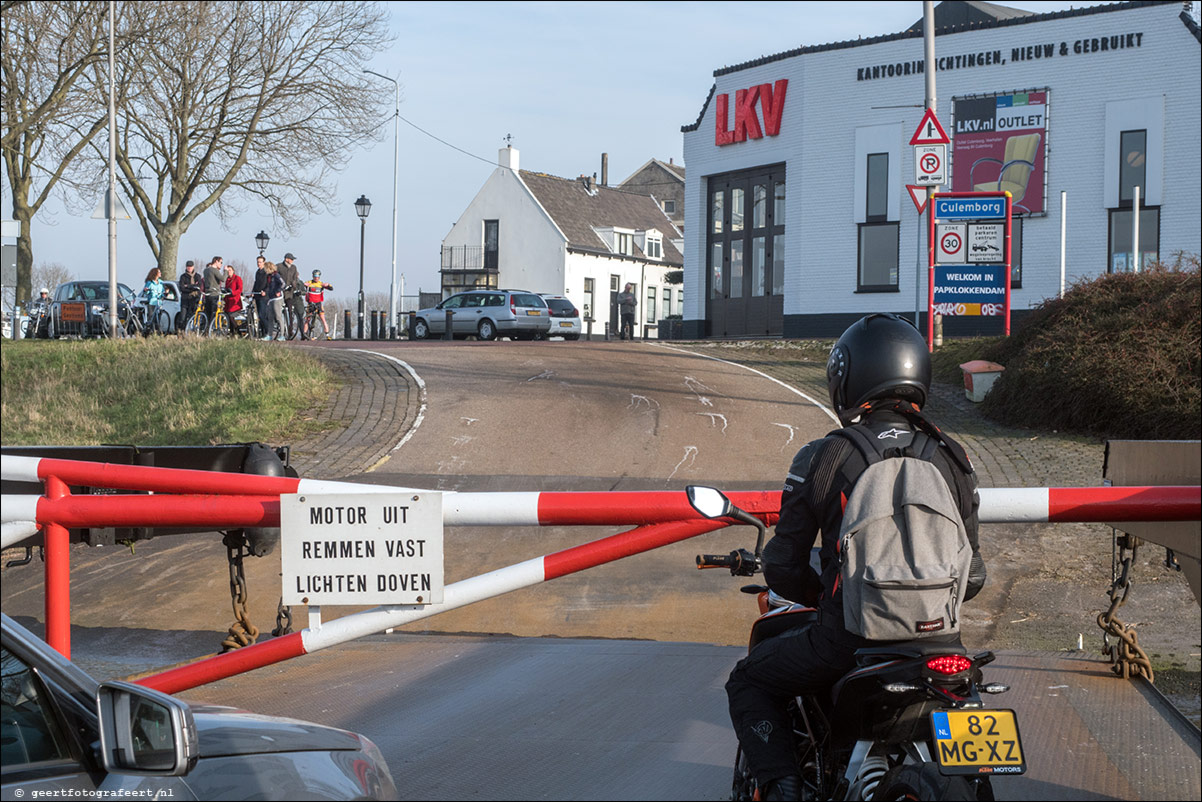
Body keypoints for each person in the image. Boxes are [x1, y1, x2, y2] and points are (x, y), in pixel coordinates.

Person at [724, 313, 986, 801]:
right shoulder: (954, 457)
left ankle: (781, 787)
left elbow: (781, 566)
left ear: (848, 377)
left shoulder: (825, 456)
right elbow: (973, 577)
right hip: (942, 645)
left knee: (749, 680)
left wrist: (824, 593)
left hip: (848, 640)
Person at [277, 252, 305, 340]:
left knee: (290, 311)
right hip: (280, 292)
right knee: (277, 311)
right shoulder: (279, 266)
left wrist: (293, 285)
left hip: (289, 293)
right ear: (286, 259)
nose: (292, 261)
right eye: (291, 259)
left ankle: (290, 330)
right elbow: (275, 277)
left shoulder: (294, 267)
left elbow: (295, 278)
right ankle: (278, 328)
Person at [302, 269, 334, 340]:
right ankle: (304, 334)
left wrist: (328, 285)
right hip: (310, 303)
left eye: (317, 276)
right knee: (307, 319)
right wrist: (304, 285)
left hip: (318, 304)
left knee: (323, 319)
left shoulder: (321, 284)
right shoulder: (309, 283)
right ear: (313, 276)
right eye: (315, 276)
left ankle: (327, 334)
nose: (316, 278)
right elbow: (302, 285)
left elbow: (331, 288)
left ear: (319, 277)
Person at [263, 261, 286, 341]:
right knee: (270, 317)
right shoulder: (268, 276)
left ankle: (282, 335)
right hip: (271, 298)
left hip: (277, 299)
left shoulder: (276, 275)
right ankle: (269, 335)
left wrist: (278, 291)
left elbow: (283, 283)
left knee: (278, 316)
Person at [179, 260, 203, 331]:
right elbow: (182, 288)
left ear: (193, 267)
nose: (189, 268)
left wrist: (188, 286)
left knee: (193, 316)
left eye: (190, 267)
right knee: (183, 317)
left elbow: (199, 286)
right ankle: (181, 331)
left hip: (194, 299)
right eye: (188, 267)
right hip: (185, 300)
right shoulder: (183, 277)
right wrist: (193, 287)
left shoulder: (198, 276)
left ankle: (191, 331)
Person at [251, 255, 270, 338]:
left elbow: (269, 284)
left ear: (264, 263)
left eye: (260, 262)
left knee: (263, 315)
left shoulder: (266, 272)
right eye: (258, 262)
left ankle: (268, 332)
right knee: (259, 316)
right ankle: (262, 333)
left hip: (264, 297)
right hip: (257, 295)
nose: (259, 263)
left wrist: (265, 291)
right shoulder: (257, 272)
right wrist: (253, 291)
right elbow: (256, 283)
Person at [203, 256, 225, 325]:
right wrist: (226, 271)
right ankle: (213, 328)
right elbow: (223, 279)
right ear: (216, 261)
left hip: (207, 294)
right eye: (221, 262)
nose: (221, 264)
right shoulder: (214, 270)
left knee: (208, 313)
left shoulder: (206, 270)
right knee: (214, 313)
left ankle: (206, 329)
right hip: (214, 294)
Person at [142, 267, 165, 334]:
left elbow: (163, 291)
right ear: (155, 273)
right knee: (151, 317)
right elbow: (146, 291)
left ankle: (157, 331)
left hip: (159, 302)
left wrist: (164, 294)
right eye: (159, 272)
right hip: (152, 302)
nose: (160, 273)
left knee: (158, 318)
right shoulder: (150, 282)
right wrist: (146, 290)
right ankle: (150, 331)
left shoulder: (161, 283)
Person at [223, 264, 244, 335]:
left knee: (231, 316)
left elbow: (240, 289)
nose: (229, 272)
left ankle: (238, 331)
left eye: (230, 270)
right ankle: (232, 332)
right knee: (228, 316)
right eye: (227, 270)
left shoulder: (237, 278)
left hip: (235, 301)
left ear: (233, 271)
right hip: (228, 301)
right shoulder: (227, 280)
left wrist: (233, 292)